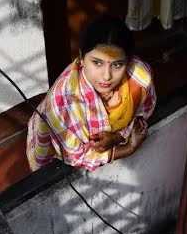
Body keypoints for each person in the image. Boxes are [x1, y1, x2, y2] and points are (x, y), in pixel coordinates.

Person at [27, 16, 156, 171]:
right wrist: (128, 148)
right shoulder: (62, 102)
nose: (106, 76)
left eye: (117, 64)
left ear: (128, 62)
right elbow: (76, 155)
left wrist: (117, 137)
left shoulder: (139, 78)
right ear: (81, 58)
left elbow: (144, 111)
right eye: (97, 63)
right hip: (57, 150)